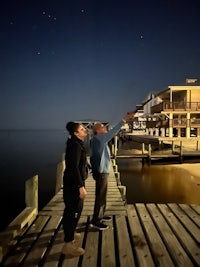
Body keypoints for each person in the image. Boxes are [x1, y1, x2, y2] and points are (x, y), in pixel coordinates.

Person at [89, 113, 133, 230]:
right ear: (98, 130)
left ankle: (100, 215)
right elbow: (113, 132)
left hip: (101, 171)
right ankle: (96, 221)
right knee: (100, 196)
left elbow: (93, 157)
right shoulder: (99, 138)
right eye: (103, 127)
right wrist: (124, 120)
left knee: (102, 195)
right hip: (102, 172)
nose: (105, 128)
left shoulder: (97, 140)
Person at [62, 121, 88, 256]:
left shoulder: (75, 143)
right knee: (73, 211)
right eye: (82, 129)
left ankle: (71, 232)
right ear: (76, 133)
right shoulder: (76, 146)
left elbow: (76, 166)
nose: (85, 130)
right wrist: (80, 187)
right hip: (73, 185)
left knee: (72, 210)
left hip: (72, 183)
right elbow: (73, 168)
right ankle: (68, 244)